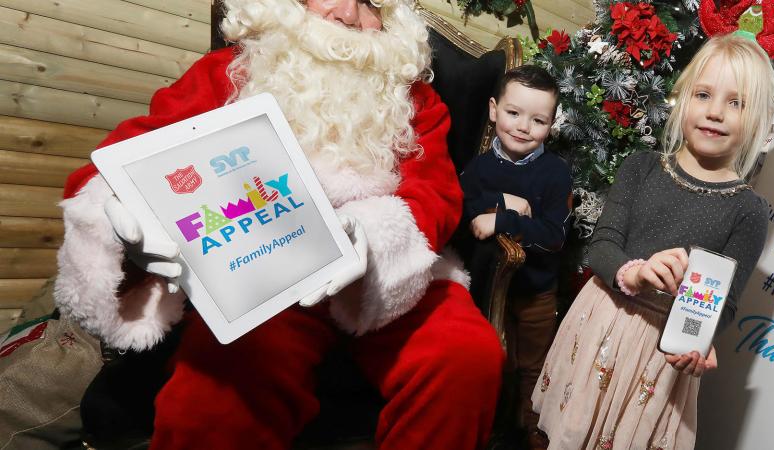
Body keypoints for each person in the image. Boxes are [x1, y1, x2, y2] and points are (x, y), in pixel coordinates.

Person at [52, 0, 504, 448]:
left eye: (368, 1)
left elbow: (435, 193)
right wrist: (127, 215)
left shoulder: (415, 101)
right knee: (220, 384)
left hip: (381, 274)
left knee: (467, 355)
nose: (347, 15)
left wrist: (367, 238)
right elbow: (133, 153)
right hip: (258, 270)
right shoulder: (228, 71)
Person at [530, 34, 773, 450]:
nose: (715, 112)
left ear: (759, 120)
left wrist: (703, 340)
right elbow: (601, 246)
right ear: (682, 98)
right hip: (601, 324)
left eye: (737, 103)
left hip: (659, 354)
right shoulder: (641, 167)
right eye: (703, 94)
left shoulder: (749, 211)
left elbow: (725, 304)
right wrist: (637, 271)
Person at [457, 65, 572, 447]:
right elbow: (462, 211)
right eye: (513, 113)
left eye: (538, 120)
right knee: (490, 363)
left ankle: (531, 437)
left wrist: (502, 220)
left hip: (536, 293)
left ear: (551, 125)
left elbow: (554, 237)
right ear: (494, 109)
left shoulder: (556, 174)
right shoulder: (478, 168)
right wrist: (502, 203)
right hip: (487, 291)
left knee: (532, 370)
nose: (523, 127)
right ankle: (483, 431)